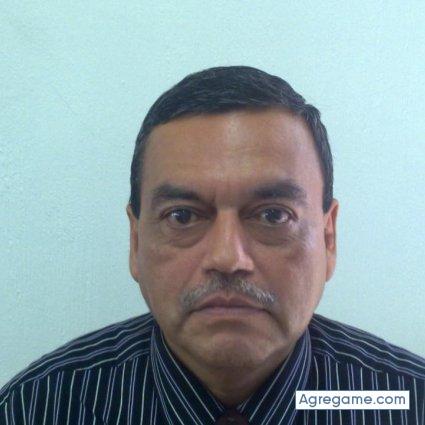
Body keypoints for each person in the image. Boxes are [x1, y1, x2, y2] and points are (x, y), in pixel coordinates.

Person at [1, 66, 424, 425]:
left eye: (273, 216)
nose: (227, 258)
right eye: (183, 216)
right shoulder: (37, 408)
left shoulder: (405, 402)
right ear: (135, 241)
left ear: (328, 239)